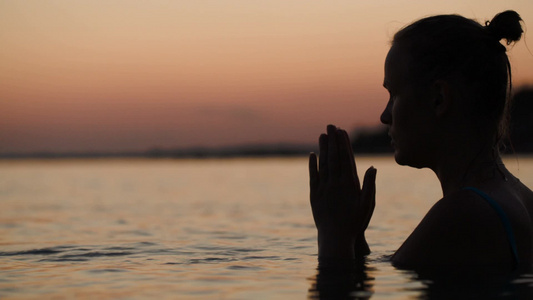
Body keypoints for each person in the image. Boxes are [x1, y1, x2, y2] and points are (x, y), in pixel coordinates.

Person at [309, 10, 533, 270]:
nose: (384, 116)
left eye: (393, 94)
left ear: (438, 99)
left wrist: (332, 234)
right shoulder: (521, 200)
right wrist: (354, 236)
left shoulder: (464, 213)